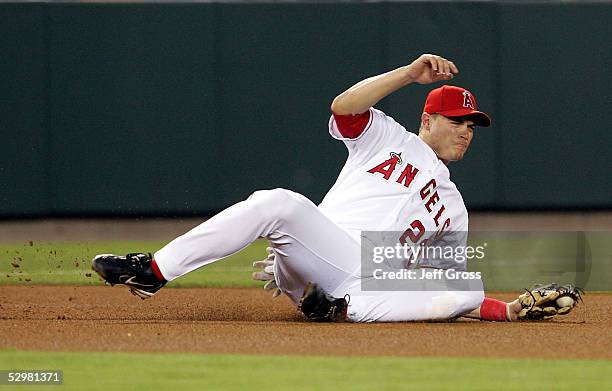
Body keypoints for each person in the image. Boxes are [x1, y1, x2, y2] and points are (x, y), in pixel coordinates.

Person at [92, 53, 523, 322]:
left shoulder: (455, 207)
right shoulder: (389, 137)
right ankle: (153, 271)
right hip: (328, 251)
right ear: (427, 120)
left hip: (372, 282)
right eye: (456, 121)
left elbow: (439, 287)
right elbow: (344, 107)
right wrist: (409, 75)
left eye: (471, 125)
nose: (466, 130)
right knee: (278, 202)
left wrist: (506, 310)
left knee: (466, 284)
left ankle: (334, 307)